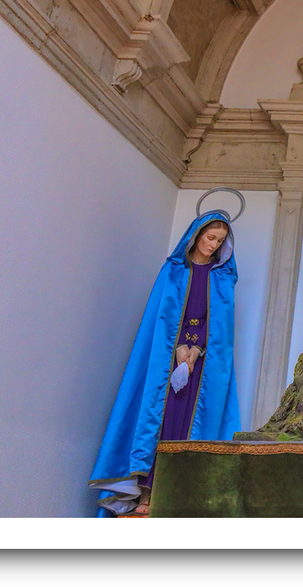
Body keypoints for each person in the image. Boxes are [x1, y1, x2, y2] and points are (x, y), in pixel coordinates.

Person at [88, 212, 240, 516]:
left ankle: (177, 495)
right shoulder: (173, 271)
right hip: (166, 362)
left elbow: (220, 327)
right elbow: (160, 319)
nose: (214, 245)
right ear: (196, 235)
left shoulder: (222, 278)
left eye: (220, 241)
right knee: (161, 420)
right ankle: (146, 493)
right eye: (210, 237)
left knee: (188, 426)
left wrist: (196, 350)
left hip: (201, 367)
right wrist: (178, 347)